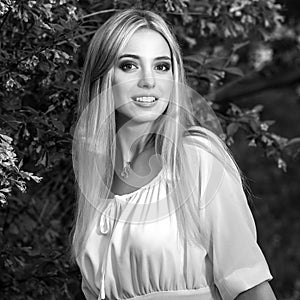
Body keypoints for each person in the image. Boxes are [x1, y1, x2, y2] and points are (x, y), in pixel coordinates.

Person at [71, 8, 277, 300]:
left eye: (162, 67)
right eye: (129, 66)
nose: (148, 81)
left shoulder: (196, 159)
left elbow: (253, 289)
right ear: (103, 76)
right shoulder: (96, 173)